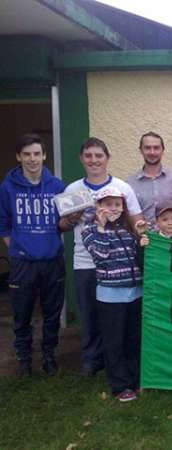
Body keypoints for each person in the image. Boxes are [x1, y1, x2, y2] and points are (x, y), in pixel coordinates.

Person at [63, 137, 143, 377]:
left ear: (107, 158)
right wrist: (73, 217)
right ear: (82, 159)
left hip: (117, 263)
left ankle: (115, 361)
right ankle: (91, 360)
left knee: (117, 317)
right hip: (85, 261)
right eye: (88, 156)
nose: (94, 160)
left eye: (99, 156)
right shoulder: (73, 190)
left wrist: (149, 235)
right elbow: (61, 226)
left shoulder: (122, 188)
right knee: (88, 313)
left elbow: (136, 222)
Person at [0, 133, 65, 377]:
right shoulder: (7, 188)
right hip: (23, 262)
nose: (32, 159)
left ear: (44, 156)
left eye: (37, 154)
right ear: (19, 157)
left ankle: (49, 356)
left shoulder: (57, 186)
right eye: (26, 154)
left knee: (51, 313)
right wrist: (15, 247)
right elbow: (3, 222)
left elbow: (65, 221)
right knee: (22, 314)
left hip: (52, 260)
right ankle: (24, 360)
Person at [81, 187, 143, 402]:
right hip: (110, 296)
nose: (113, 209)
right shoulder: (89, 230)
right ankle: (120, 385)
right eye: (108, 204)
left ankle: (135, 380)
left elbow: (137, 256)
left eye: (117, 205)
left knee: (133, 339)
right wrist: (101, 227)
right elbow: (100, 254)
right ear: (99, 207)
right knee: (114, 341)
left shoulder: (128, 229)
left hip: (135, 292)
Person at [127, 132, 172, 230]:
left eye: (156, 148)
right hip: (141, 240)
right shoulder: (130, 183)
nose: (152, 152)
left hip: (169, 240)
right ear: (141, 150)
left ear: (162, 150)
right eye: (147, 148)